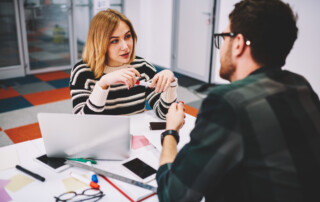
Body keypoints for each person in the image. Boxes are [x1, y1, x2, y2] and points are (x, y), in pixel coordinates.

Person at [156, 0, 320, 201]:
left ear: (239, 44)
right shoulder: (301, 85)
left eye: (224, 37)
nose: (222, 46)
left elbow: (173, 195)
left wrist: (170, 131)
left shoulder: (228, 102)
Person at [70, 9, 177, 119]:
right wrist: (103, 83)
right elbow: (82, 122)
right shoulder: (83, 72)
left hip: (135, 134)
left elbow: (165, 114)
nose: (125, 47)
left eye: (127, 36)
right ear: (99, 43)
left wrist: (170, 83)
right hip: (103, 135)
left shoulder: (142, 67)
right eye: (114, 41)